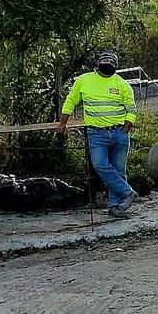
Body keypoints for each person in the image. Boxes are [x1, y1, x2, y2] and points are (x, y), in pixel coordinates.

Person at [58, 52, 138, 218]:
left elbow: (131, 108)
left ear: (116, 66)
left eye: (111, 62)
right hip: (96, 133)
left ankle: (115, 207)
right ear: (98, 64)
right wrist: (63, 122)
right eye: (105, 61)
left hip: (119, 132)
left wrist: (127, 126)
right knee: (99, 164)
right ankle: (127, 192)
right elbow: (71, 100)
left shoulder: (122, 84)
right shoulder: (84, 80)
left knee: (118, 170)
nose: (108, 64)